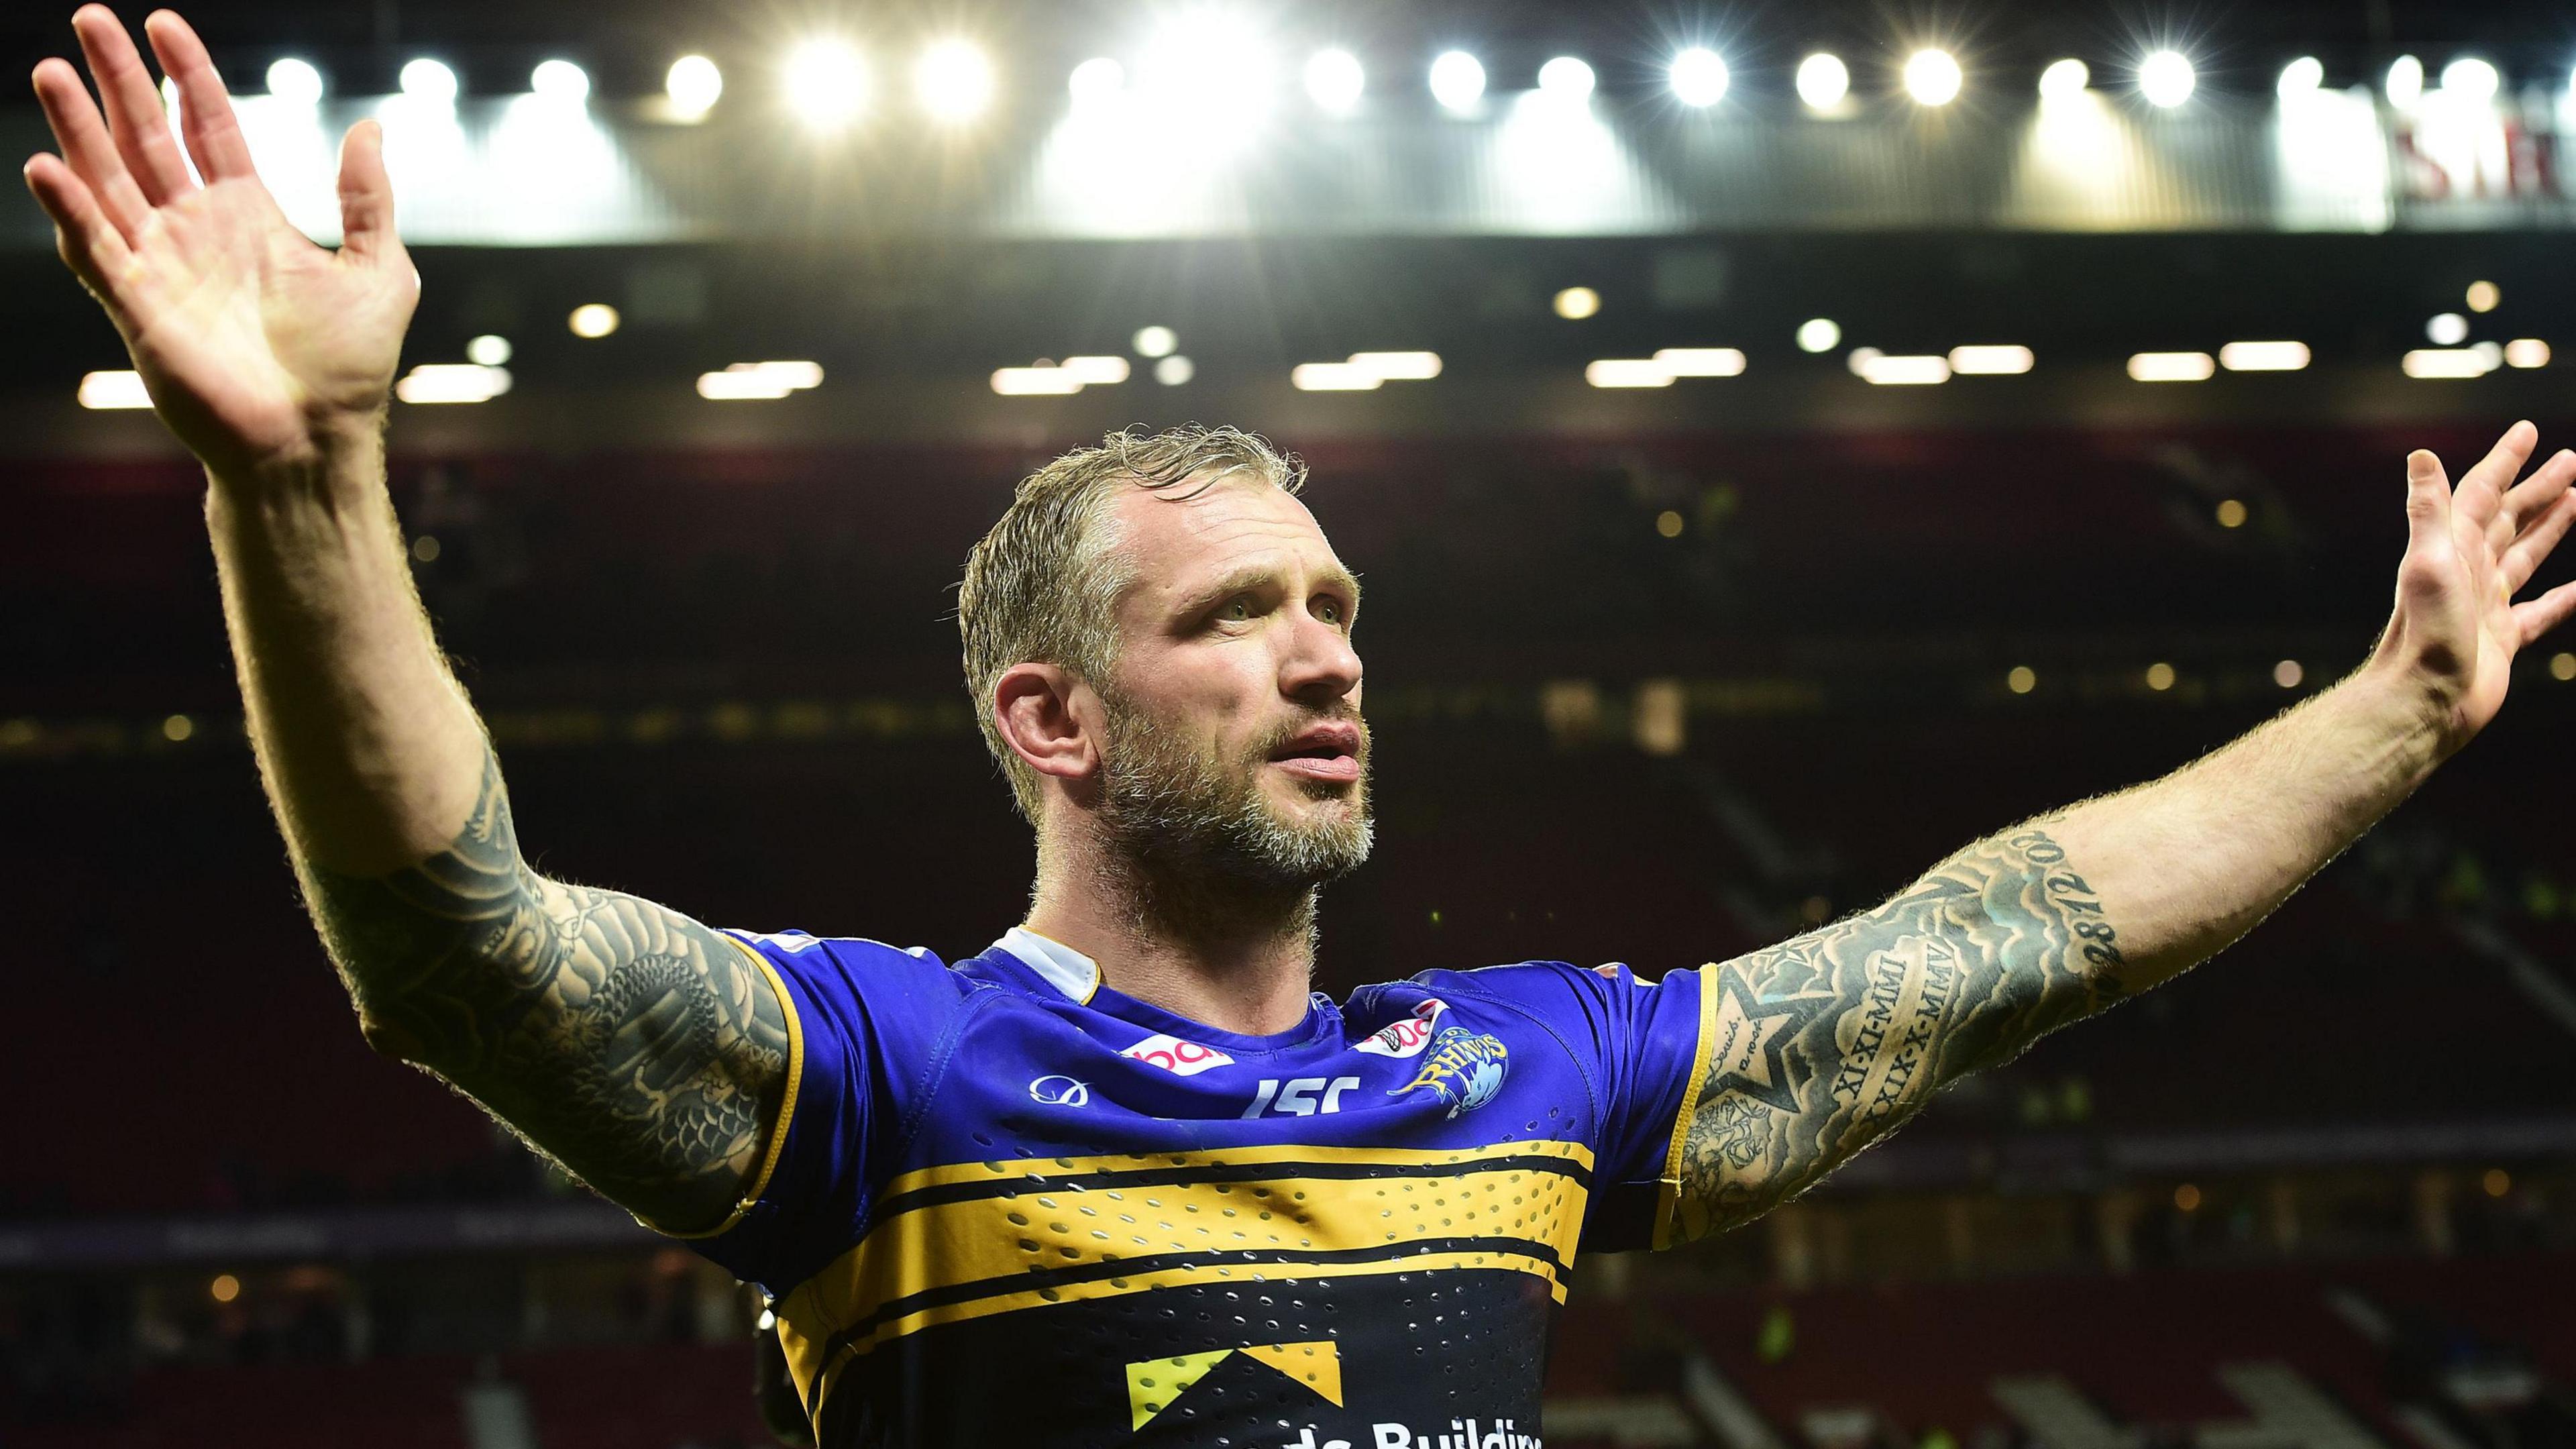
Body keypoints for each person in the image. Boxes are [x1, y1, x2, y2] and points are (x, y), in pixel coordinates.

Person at [25, 7, 2576, 1445]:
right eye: (1238, 615)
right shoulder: (887, 1080)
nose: (1331, 650)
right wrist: (312, 481)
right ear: (1048, 713)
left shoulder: (1528, 1073)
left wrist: (2393, 715)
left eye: (1340, 603)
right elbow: (450, 945)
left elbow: (2010, 936)